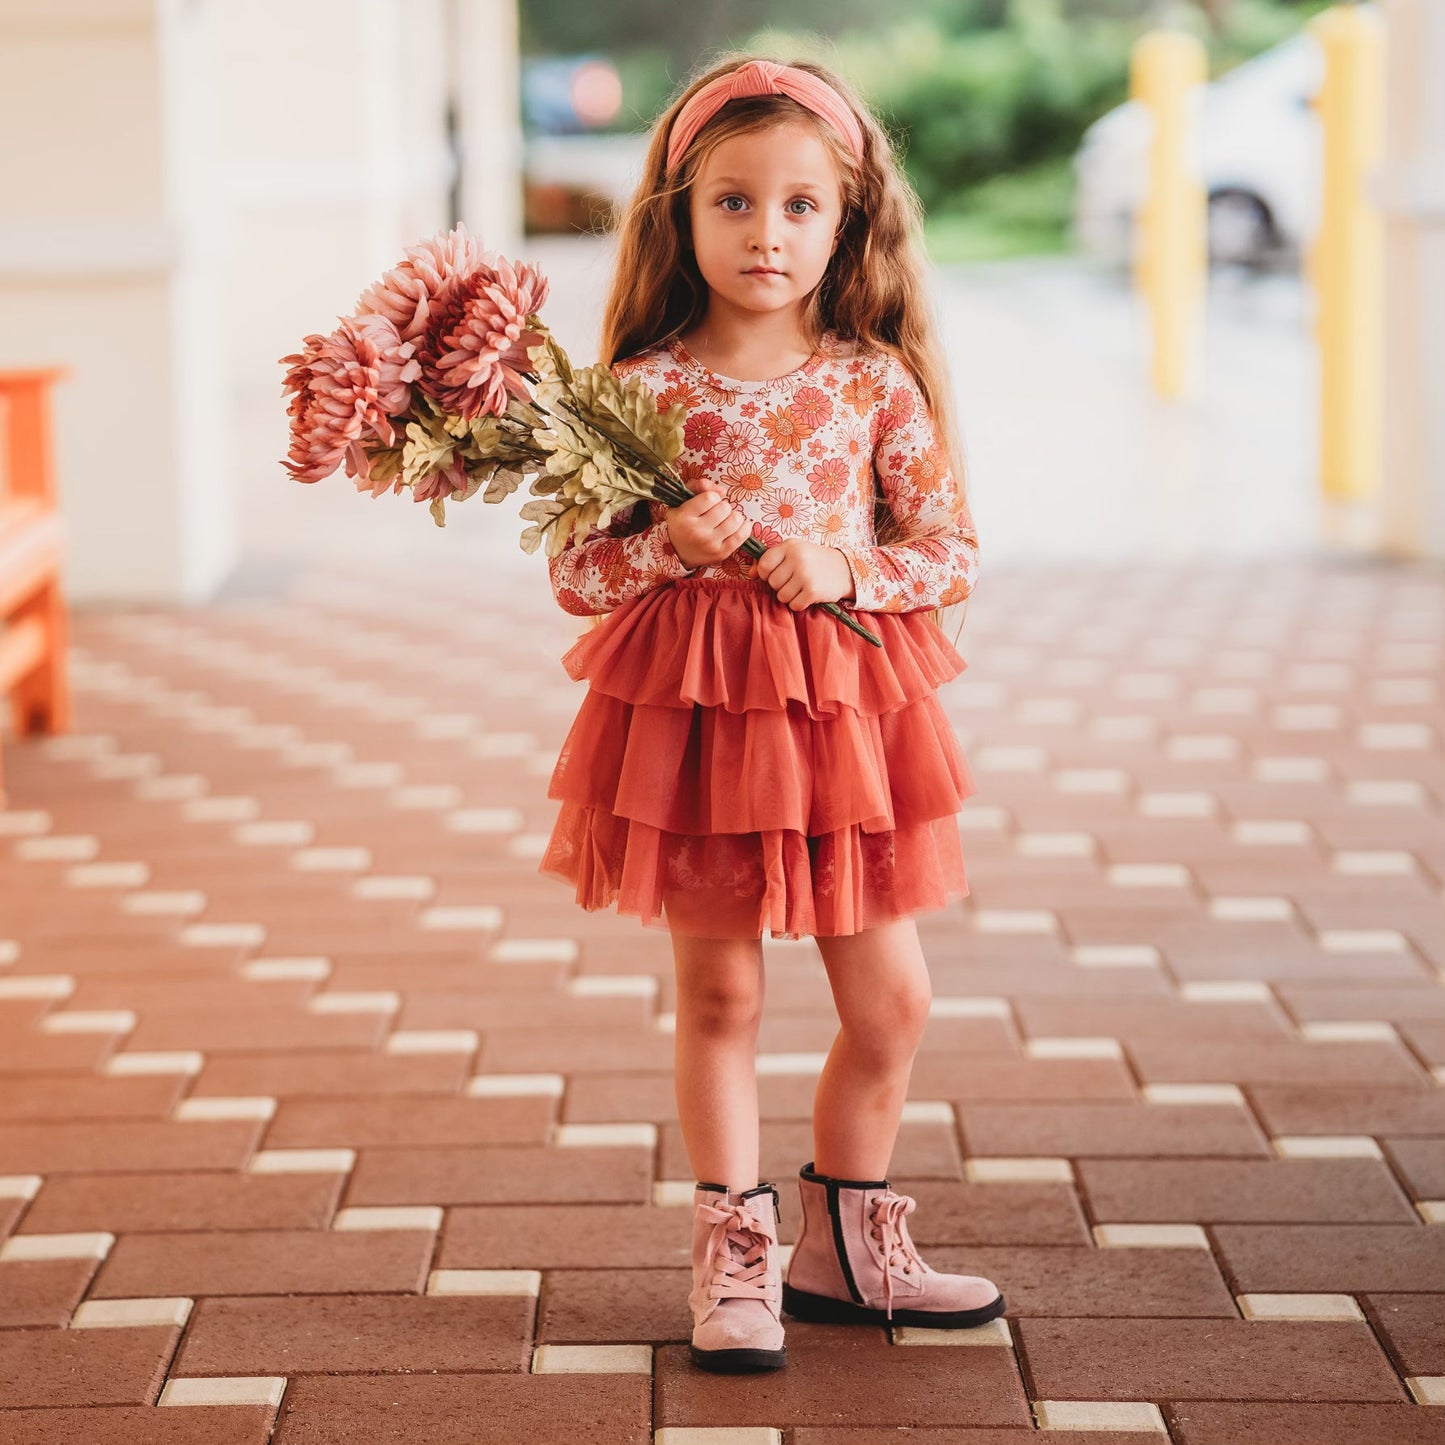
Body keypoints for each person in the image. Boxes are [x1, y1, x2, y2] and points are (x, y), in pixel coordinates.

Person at [537, 53, 1006, 1374]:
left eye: (801, 205)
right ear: (678, 216)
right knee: (722, 989)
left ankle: (848, 1248)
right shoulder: (639, 385)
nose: (767, 232)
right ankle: (732, 1256)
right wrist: (670, 548)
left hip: (846, 723)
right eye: (733, 202)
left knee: (892, 998)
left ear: (846, 217)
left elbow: (949, 548)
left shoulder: (871, 384)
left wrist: (847, 564)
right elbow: (576, 574)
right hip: (696, 725)